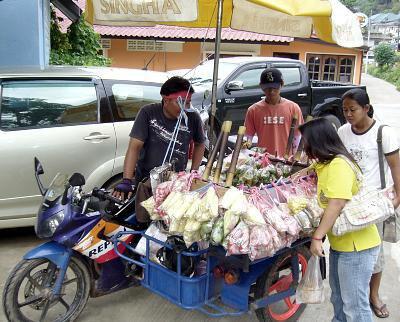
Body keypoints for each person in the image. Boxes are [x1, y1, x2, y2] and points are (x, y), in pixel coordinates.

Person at [299, 117, 381, 322]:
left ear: (318, 141)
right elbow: (316, 169)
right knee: (339, 299)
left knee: (355, 305)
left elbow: (336, 203)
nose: (304, 146)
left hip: (357, 248)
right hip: (341, 245)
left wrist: (317, 237)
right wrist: (302, 172)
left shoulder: (339, 165)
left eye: (306, 141)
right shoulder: (327, 163)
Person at [338, 88, 400, 319]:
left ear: (366, 108)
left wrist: (397, 200)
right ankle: (359, 293)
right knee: (356, 253)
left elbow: (396, 168)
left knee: (375, 254)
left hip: (376, 203)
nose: (348, 114)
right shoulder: (344, 131)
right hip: (351, 203)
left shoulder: (384, 133)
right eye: (345, 110)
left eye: (353, 109)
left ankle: (373, 295)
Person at [113, 76, 206, 201]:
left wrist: (194, 171)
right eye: (181, 102)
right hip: (147, 182)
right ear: (166, 100)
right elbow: (134, 147)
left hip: (176, 183)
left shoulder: (193, 117)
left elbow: (200, 143)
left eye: (188, 102)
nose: (186, 107)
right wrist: (127, 180)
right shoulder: (148, 113)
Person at [244, 67, 304, 157]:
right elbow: (248, 137)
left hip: (286, 159)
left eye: (275, 88)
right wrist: (245, 145)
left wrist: (295, 156)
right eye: (267, 88)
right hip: (263, 159)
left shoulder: (293, 108)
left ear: (282, 84)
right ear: (261, 86)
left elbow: (297, 136)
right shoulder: (253, 110)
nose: (271, 92)